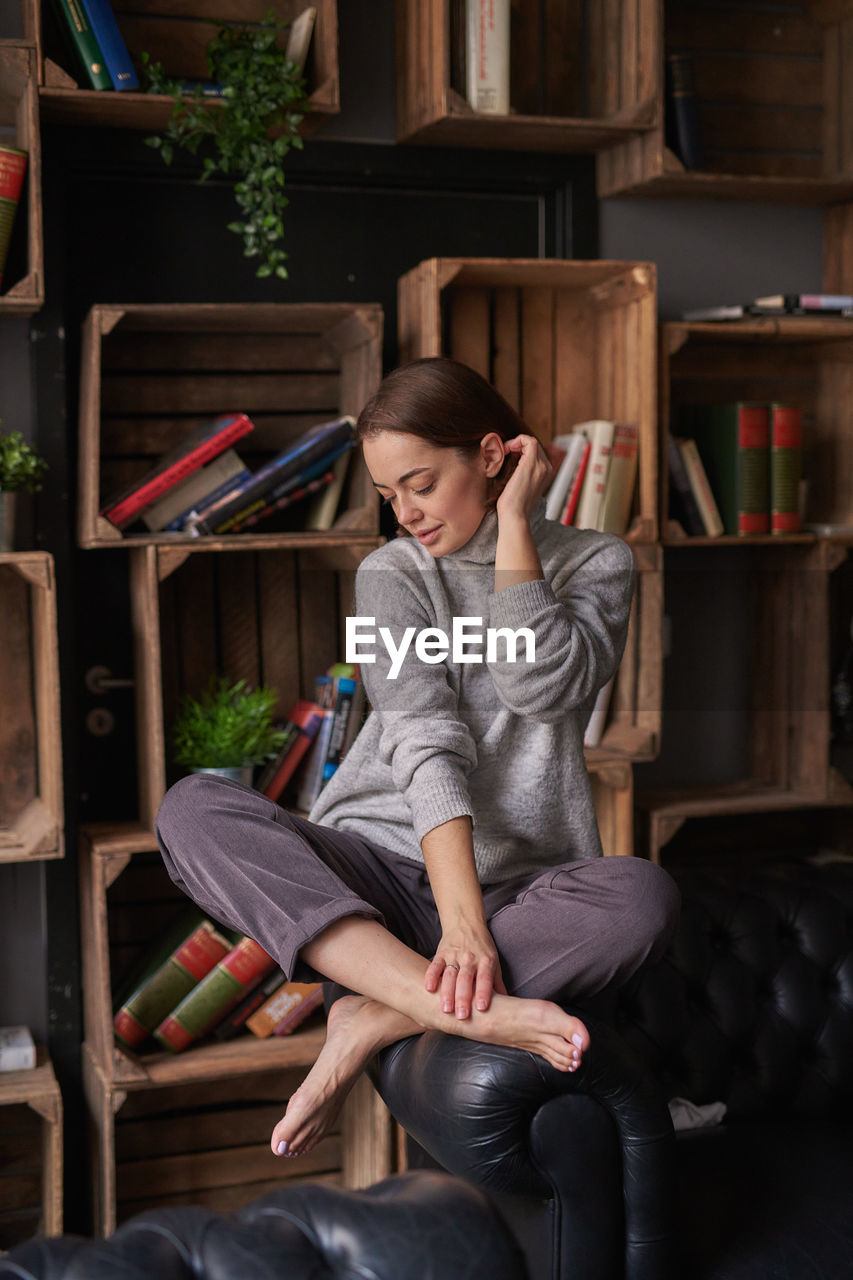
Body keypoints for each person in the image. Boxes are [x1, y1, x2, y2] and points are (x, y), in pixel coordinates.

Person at [156, 357, 680, 1163]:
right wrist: (456, 928)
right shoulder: (391, 573)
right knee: (191, 809)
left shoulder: (595, 562)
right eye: (389, 494)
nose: (404, 513)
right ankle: (432, 1000)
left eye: (421, 484)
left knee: (641, 895)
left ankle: (376, 1015)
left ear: (494, 456)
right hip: (377, 886)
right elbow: (423, 740)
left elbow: (538, 689)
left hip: (516, 897)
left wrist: (513, 529)